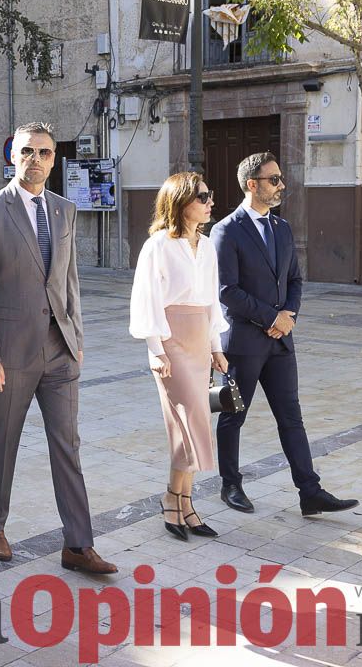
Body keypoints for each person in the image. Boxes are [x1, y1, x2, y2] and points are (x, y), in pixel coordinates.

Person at [0, 121, 117, 575]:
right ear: (13, 155)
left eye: (45, 153)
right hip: (9, 352)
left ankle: (78, 543)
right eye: (27, 151)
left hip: (60, 350)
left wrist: (77, 340)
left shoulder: (65, 210)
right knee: (2, 439)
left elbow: (69, 282)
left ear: (55, 158)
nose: (36, 160)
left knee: (68, 445)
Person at [211, 152, 357, 516]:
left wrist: (288, 316)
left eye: (279, 178)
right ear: (252, 184)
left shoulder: (283, 228)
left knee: (291, 417)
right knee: (233, 416)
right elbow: (226, 290)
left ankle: (310, 491)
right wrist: (271, 318)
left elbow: (294, 279)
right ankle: (231, 484)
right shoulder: (226, 230)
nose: (281, 185)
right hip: (243, 343)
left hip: (280, 342)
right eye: (273, 179)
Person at [129, 172, 228, 540]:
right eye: (202, 196)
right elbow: (146, 298)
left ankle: (184, 501)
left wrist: (217, 347)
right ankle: (173, 498)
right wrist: (155, 348)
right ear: (181, 201)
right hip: (171, 340)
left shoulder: (206, 245)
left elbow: (211, 300)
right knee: (186, 425)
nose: (209, 202)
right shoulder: (158, 245)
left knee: (197, 422)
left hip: (201, 338)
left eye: (209, 195)